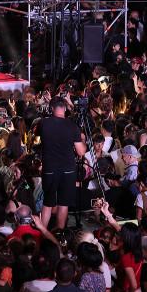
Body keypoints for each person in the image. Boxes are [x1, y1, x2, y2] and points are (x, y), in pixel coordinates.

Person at [37, 97, 86, 229]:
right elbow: (81, 152)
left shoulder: (43, 123)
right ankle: (60, 234)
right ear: (64, 108)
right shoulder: (72, 126)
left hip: (49, 168)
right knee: (63, 204)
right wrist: (83, 139)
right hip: (68, 170)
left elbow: (37, 139)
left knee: (48, 203)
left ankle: (42, 233)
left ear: (52, 108)